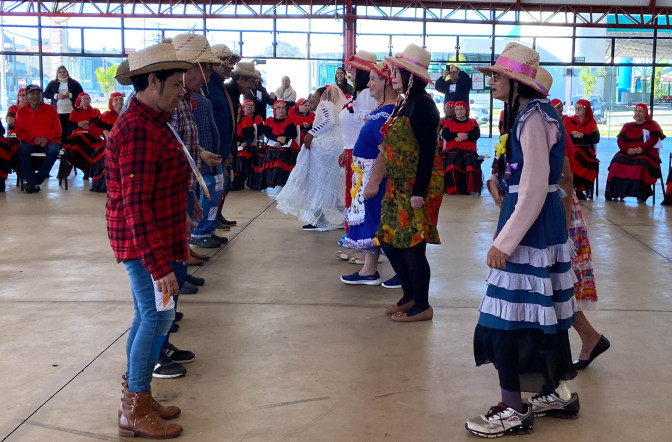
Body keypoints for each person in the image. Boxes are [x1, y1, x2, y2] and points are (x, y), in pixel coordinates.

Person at [465, 43, 578, 438]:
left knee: (505, 319)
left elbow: (533, 188)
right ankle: (556, 391)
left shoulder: (532, 118)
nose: (491, 81)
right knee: (542, 314)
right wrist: (503, 186)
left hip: (529, 227)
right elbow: (529, 180)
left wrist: (505, 242)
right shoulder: (534, 114)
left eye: (496, 76)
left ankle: (513, 407)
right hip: (538, 222)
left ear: (515, 82)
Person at [108, 42, 191, 439]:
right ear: (153, 81)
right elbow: (136, 208)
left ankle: (138, 398)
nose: (181, 92)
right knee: (157, 316)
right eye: (175, 84)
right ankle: (135, 407)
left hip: (157, 238)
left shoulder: (154, 120)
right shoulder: (138, 130)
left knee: (149, 316)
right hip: (144, 244)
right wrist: (159, 267)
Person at [376, 43, 443, 322]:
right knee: (389, 242)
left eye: (397, 72)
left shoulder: (424, 106)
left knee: (413, 246)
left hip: (417, 184)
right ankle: (409, 295)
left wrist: (418, 192)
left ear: (411, 76)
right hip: (397, 183)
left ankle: (422, 305)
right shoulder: (405, 101)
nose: (392, 76)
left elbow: (428, 152)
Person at [340, 61, 398, 285]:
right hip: (364, 174)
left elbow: (386, 150)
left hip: (375, 177)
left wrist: (373, 182)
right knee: (369, 222)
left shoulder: (388, 113)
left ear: (387, 83)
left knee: (379, 224)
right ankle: (368, 269)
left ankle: (403, 272)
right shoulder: (379, 110)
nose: (369, 83)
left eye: (374, 79)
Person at [275, 85, 346, 231]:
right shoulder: (334, 106)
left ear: (322, 96)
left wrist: (311, 133)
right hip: (335, 144)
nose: (311, 99)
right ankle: (338, 217)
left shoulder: (324, 104)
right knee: (329, 182)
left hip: (327, 145)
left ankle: (319, 218)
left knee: (315, 180)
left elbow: (329, 121)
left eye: (314, 96)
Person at [604, 103, 664, 203]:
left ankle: (641, 194)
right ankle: (617, 191)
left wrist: (642, 148)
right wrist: (627, 149)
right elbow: (620, 141)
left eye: (640, 111)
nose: (637, 113)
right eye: (636, 111)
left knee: (641, 165)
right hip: (628, 152)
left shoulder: (652, 125)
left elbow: (653, 139)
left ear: (645, 113)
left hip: (646, 152)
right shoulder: (627, 126)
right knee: (616, 163)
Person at [14, 84, 62, 193]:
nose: (36, 96)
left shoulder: (51, 109)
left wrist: (47, 138)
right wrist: (33, 139)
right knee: (22, 150)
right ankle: (31, 180)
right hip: (30, 141)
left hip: (50, 141)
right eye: (32, 93)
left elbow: (57, 130)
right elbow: (19, 132)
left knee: (54, 150)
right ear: (27, 96)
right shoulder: (21, 112)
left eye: (38, 93)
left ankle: (35, 181)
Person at [440, 100, 482, 195]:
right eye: (457, 109)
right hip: (453, 148)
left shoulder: (472, 122)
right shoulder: (449, 122)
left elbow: (476, 134)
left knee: (470, 159)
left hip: (469, 148)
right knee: (452, 158)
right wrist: (457, 134)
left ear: (466, 110)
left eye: (461, 109)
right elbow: (445, 134)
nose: (459, 111)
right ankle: (452, 188)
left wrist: (466, 136)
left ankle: (469, 188)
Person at [565, 99, 600, 200]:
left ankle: (580, 188)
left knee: (588, 162)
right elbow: (564, 136)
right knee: (574, 158)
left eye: (580, 108)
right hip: (571, 150)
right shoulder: (569, 120)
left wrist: (582, 135)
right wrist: (573, 135)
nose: (577, 110)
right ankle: (572, 187)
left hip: (587, 152)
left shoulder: (591, 122)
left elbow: (596, 138)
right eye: (576, 108)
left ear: (586, 110)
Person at [90, 92, 125, 192]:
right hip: (109, 143)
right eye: (116, 100)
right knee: (105, 153)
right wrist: (104, 131)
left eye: (121, 99)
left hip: (125, 143)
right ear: (111, 102)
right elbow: (92, 128)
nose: (119, 102)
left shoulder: (127, 113)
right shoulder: (106, 115)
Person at [260, 100, 299, 188]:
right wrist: (277, 138)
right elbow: (267, 133)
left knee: (280, 155)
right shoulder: (269, 120)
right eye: (278, 108)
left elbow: (290, 133)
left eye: (283, 108)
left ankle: (280, 182)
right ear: (275, 109)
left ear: (286, 110)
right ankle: (269, 181)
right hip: (272, 143)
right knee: (268, 154)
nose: (281, 110)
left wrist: (280, 142)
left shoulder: (289, 120)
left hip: (286, 145)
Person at [63, 92, 104, 177]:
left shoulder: (95, 111)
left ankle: (88, 169)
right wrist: (78, 124)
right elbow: (69, 128)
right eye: (83, 99)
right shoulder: (74, 112)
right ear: (79, 101)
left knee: (85, 146)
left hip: (90, 135)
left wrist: (89, 125)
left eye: (87, 99)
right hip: (76, 134)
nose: (86, 101)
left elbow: (98, 125)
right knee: (75, 146)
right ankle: (84, 168)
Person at [43, 65, 84, 145]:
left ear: (67, 73)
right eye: (60, 72)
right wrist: (56, 96)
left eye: (64, 72)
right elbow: (45, 94)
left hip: (71, 111)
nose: (62, 74)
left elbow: (81, 93)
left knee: (69, 130)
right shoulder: (52, 83)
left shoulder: (74, 83)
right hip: (57, 112)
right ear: (57, 74)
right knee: (60, 131)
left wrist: (70, 95)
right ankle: (60, 147)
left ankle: (69, 148)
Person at [234, 99, 265, 190]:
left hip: (249, 144)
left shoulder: (251, 118)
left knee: (242, 155)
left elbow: (256, 134)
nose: (251, 107)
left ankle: (239, 180)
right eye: (248, 105)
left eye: (252, 106)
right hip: (234, 145)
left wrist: (245, 143)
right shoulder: (230, 118)